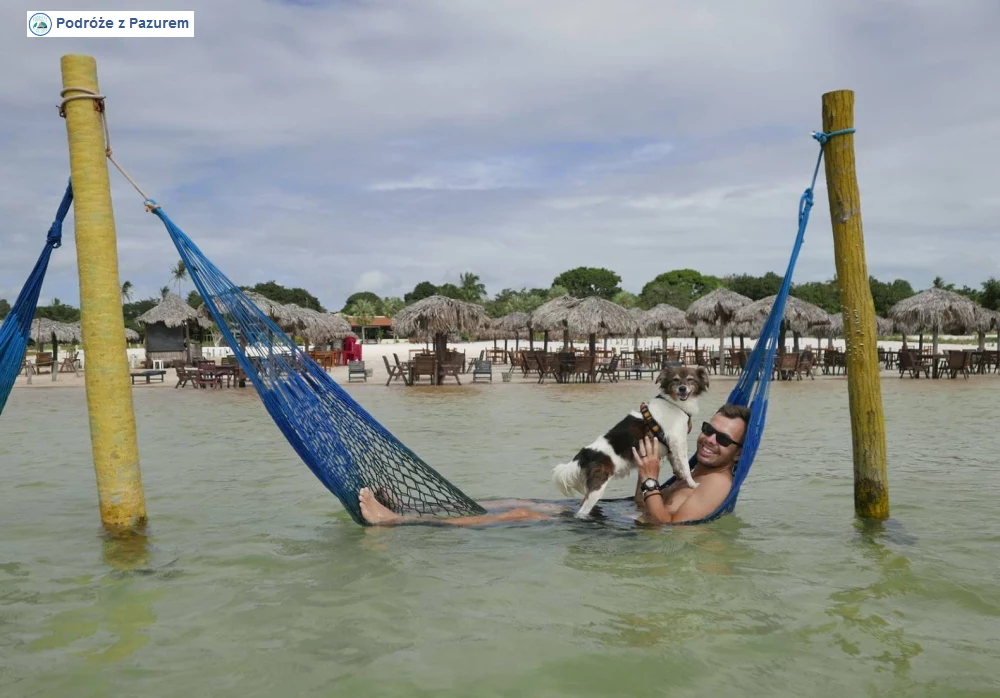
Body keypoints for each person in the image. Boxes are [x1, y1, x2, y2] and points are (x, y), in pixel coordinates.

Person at [358, 403, 750, 527]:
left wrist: (650, 479)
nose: (709, 440)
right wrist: (640, 468)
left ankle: (394, 522)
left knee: (519, 513)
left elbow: (667, 528)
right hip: (622, 518)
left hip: (627, 540)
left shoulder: (717, 484)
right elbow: (645, 504)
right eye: (707, 430)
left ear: (740, 450)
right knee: (519, 500)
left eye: (724, 439)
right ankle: (410, 508)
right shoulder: (696, 470)